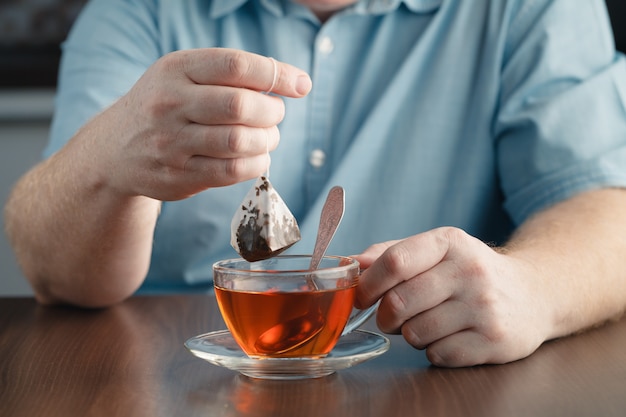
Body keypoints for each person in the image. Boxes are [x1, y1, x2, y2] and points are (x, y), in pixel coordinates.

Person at [4, 0, 626, 368]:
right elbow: (55, 273)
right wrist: (110, 159)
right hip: (168, 383)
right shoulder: (136, 12)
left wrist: (534, 285)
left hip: (417, 378)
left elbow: (605, 203)